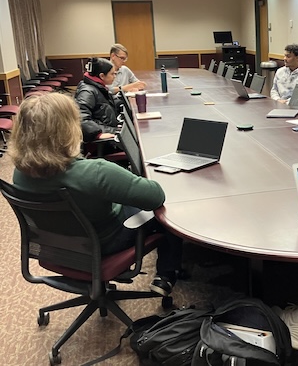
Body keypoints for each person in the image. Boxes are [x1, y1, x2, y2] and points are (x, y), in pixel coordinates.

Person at [9, 93, 183, 296]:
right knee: (167, 212)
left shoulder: (19, 173)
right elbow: (156, 196)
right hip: (105, 243)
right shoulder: (96, 172)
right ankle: (167, 274)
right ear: (68, 128)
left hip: (58, 246)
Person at [74, 57, 121, 143]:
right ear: (102, 76)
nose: (114, 77)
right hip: (102, 139)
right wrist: (97, 134)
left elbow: (108, 103)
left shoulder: (98, 86)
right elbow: (80, 117)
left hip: (108, 128)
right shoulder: (87, 92)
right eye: (112, 74)